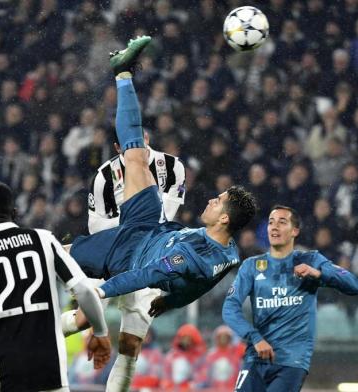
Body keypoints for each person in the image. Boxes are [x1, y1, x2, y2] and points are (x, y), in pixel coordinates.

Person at [68, 36, 257, 392]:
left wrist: (102, 292)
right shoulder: (229, 253)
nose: (209, 201)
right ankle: (123, 73)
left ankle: (23, 327)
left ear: (225, 219)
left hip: (131, 255)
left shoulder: (186, 257)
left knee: (119, 339)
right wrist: (174, 300)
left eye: (216, 202)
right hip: (144, 229)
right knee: (135, 154)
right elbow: (201, 286)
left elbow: (147, 274)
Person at [0, 181, 110, 392]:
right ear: (14, 212)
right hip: (50, 373)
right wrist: (100, 332)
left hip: (2, 378)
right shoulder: (43, 239)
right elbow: (84, 290)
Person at [86, 129, 185, 389]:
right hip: (111, 255)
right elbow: (95, 225)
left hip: (149, 258)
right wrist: (130, 226)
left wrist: (130, 224)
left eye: (142, 142)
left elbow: (166, 216)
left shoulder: (173, 167)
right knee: (82, 320)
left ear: (149, 139)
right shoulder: (103, 177)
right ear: (118, 147)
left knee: (130, 344)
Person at [223, 205, 358, 392]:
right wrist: (254, 337)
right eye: (271, 222)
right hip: (256, 357)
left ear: (295, 231)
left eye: (282, 222)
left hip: (291, 361)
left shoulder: (310, 260)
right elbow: (230, 308)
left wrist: (318, 274)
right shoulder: (251, 266)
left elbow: (353, 284)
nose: (274, 227)